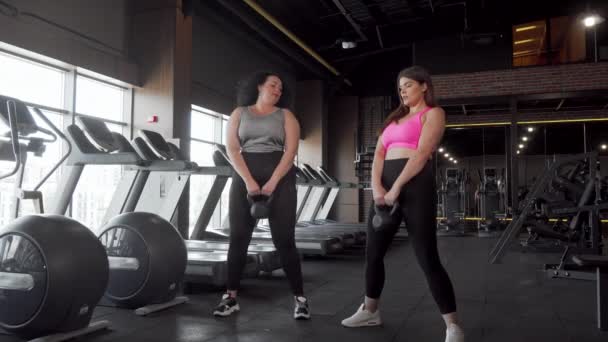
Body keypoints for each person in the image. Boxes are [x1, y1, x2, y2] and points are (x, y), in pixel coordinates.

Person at [341, 66, 464, 342]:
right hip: (383, 187)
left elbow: (421, 154)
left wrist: (397, 187)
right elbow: (379, 156)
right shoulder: (392, 120)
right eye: (400, 87)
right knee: (373, 253)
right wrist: (376, 188)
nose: (403, 91)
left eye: (408, 85)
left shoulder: (433, 113)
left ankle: (453, 326)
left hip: (416, 185)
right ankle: (370, 310)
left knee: (427, 257)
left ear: (423, 86)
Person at [213, 71, 310, 320]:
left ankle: (300, 299)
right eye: (273, 85)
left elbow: (291, 152)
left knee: (285, 241)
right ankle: (230, 297)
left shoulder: (286, 115)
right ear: (258, 86)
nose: (278, 90)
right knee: (238, 238)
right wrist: (249, 182)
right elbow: (233, 149)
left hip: (280, 177)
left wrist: (273, 183)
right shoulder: (239, 113)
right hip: (245, 177)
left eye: (280, 88)